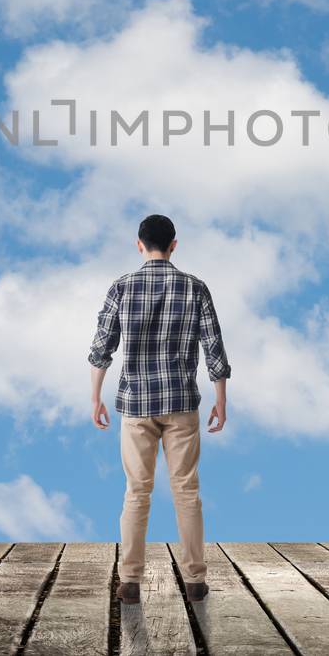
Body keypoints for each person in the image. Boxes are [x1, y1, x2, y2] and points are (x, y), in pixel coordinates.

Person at [87, 213, 231, 604]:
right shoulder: (195, 287)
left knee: (137, 492)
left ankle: (130, 582)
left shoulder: (121, 287)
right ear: (174, 245)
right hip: (182, 403)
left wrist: (96, 397)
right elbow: (213, 348)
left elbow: (102, 349)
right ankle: (196, 581)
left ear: (139, 244)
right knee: (187, 491)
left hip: (136, 406)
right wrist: (221, 399)